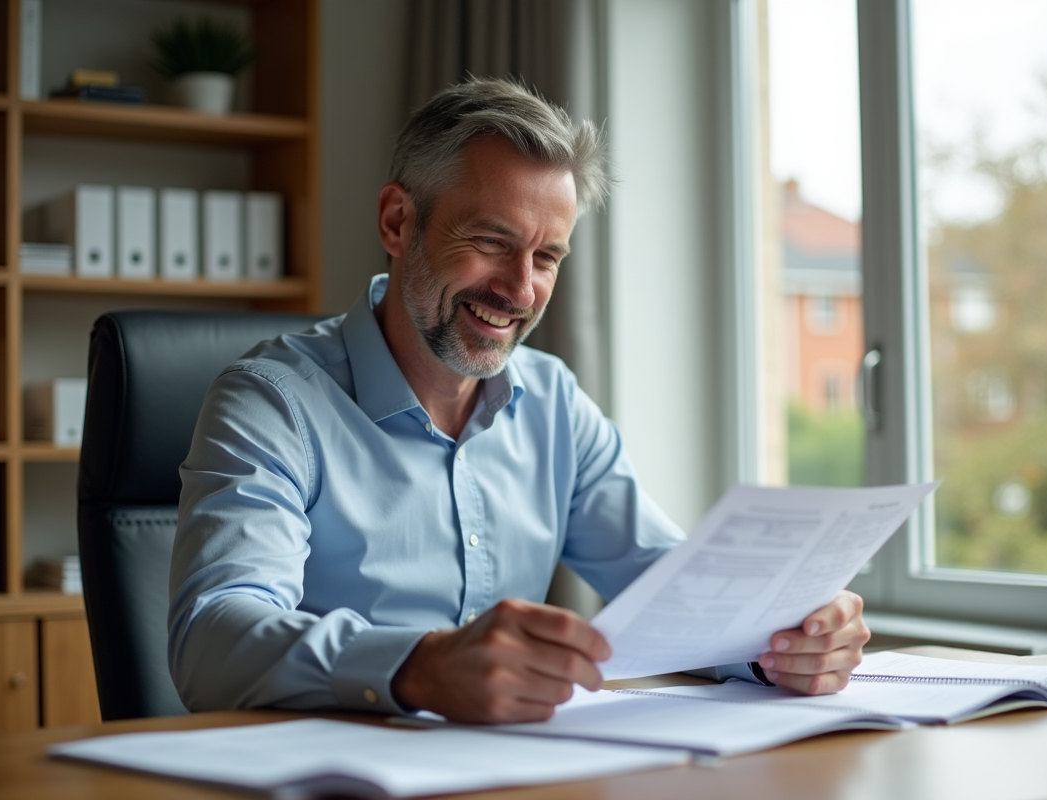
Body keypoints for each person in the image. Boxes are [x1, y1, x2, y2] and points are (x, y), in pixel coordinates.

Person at [168, 78, 869, 724]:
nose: (520, 290)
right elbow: (213, 638)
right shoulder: (271, 403)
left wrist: (785, 637)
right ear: (396, 222)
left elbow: (678, 594)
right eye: (489, 242)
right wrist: (419, 666)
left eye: (546, 257)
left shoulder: (555, 401)